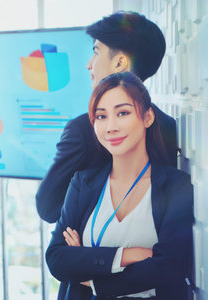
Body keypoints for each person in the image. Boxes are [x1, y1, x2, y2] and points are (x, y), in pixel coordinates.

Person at [46, 72, 194, 299]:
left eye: (122, 113)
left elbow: (169, 268)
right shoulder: (83, 184)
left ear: (147, 117)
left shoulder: (176, 187)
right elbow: (57, 258)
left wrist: (88, 269)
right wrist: (129, 255)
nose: (110, 127)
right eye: (101, 116)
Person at [36, 11, 178, 223]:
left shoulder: (84, 129)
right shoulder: (168, 126)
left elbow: (48, 207)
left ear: (119, 63)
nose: (89, 64)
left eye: (96, 52)